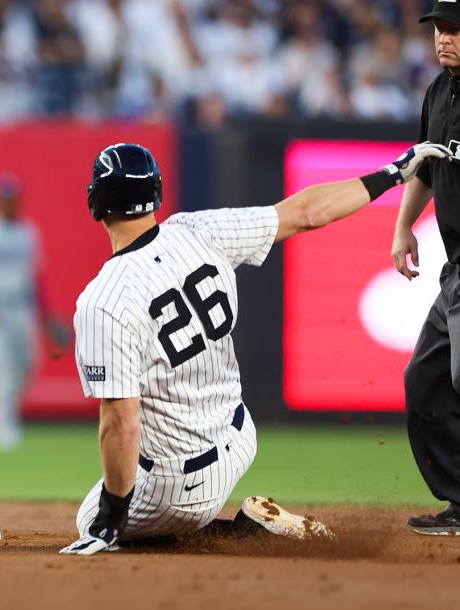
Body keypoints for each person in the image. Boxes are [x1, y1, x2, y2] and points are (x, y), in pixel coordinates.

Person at [61, 140, 452, 555]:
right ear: (156, 192)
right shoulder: (197, 231)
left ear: (96, 201)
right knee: (130, 480)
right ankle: (218, 520)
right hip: (239, 436)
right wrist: (392, 173)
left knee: (94, 514)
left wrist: (112, 517)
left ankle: (242, 533)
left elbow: (121, 423)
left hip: (179, 482)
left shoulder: (102, 301)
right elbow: (306, 213)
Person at [392, 0, 460, 535]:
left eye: (456, 29)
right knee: (426, 381)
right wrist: (402, 228)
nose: (445, 37)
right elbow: (424, 166)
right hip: (454, 271)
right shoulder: (438, 92)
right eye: (439, 27)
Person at [0, 175, 67, 450]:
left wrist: (45, 316)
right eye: (3, 198)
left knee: (29, 365)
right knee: (2, 367)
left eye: (12, 198)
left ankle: (5, 414)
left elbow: (34, 278)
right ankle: (0, 425)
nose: (8, 203)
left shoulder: (27, 232)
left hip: (22, 308)